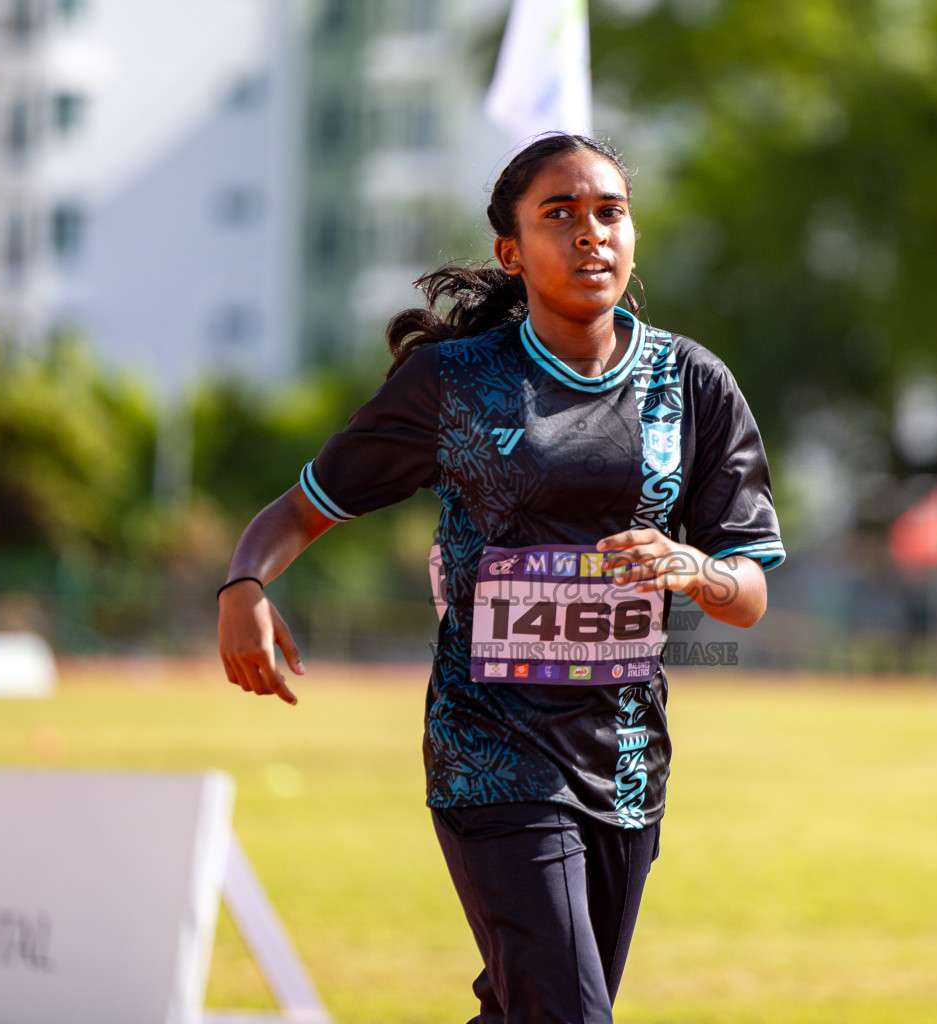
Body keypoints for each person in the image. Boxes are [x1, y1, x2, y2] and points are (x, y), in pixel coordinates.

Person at [216, 133, 784, 1024]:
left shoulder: (691, 383)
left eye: (610, 212)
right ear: (510, 252)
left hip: (628, 762)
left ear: (633, 237)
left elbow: (746, 594)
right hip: (493, 752)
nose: (591, 233)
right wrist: (243, 586)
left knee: (525, 1011)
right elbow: (303, 507)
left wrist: (694, 567)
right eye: (559, 214)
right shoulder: (453, 385)